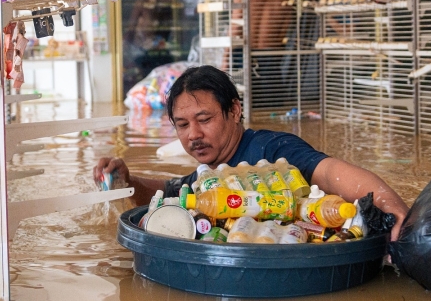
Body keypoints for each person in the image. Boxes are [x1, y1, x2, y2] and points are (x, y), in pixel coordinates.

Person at [95, 65, 410, 240]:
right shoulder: (210, 177)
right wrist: (127, 180)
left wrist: (389, 208)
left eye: (204, 119)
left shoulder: (273, 150)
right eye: (182, 125)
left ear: (234, 110)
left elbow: (329, 172)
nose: (193, 134)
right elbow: (171, 190)